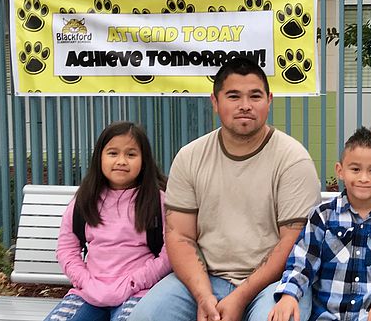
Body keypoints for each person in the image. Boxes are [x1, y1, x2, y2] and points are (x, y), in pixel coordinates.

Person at [129, 57, 321, 321]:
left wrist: (239, 298)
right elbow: (180, 236)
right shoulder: (190, 157)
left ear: (269, 100)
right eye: (233, 96)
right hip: (205, 279)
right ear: (215, 102)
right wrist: (203, 296)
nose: (245, 106)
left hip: (275, 283)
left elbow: (293, 241)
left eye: (255, 96)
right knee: (144, 317)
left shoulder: (292, 159)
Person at [269, 127, 371, 321]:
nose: (363, 178)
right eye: (355, 169)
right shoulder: (323, 216)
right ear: (340, 171)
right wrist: (289, 295)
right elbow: (303, 262)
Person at [45, 121, 170, 321]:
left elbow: (170, 252)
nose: (121, 161)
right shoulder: (85, 199)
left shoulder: (158, 200)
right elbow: (66, 248)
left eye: (131, 154)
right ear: (99, 158)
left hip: (139, 291)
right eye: (113, 153)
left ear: (144, 160)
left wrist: (133, 282)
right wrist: (86, 281)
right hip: (89, 292)